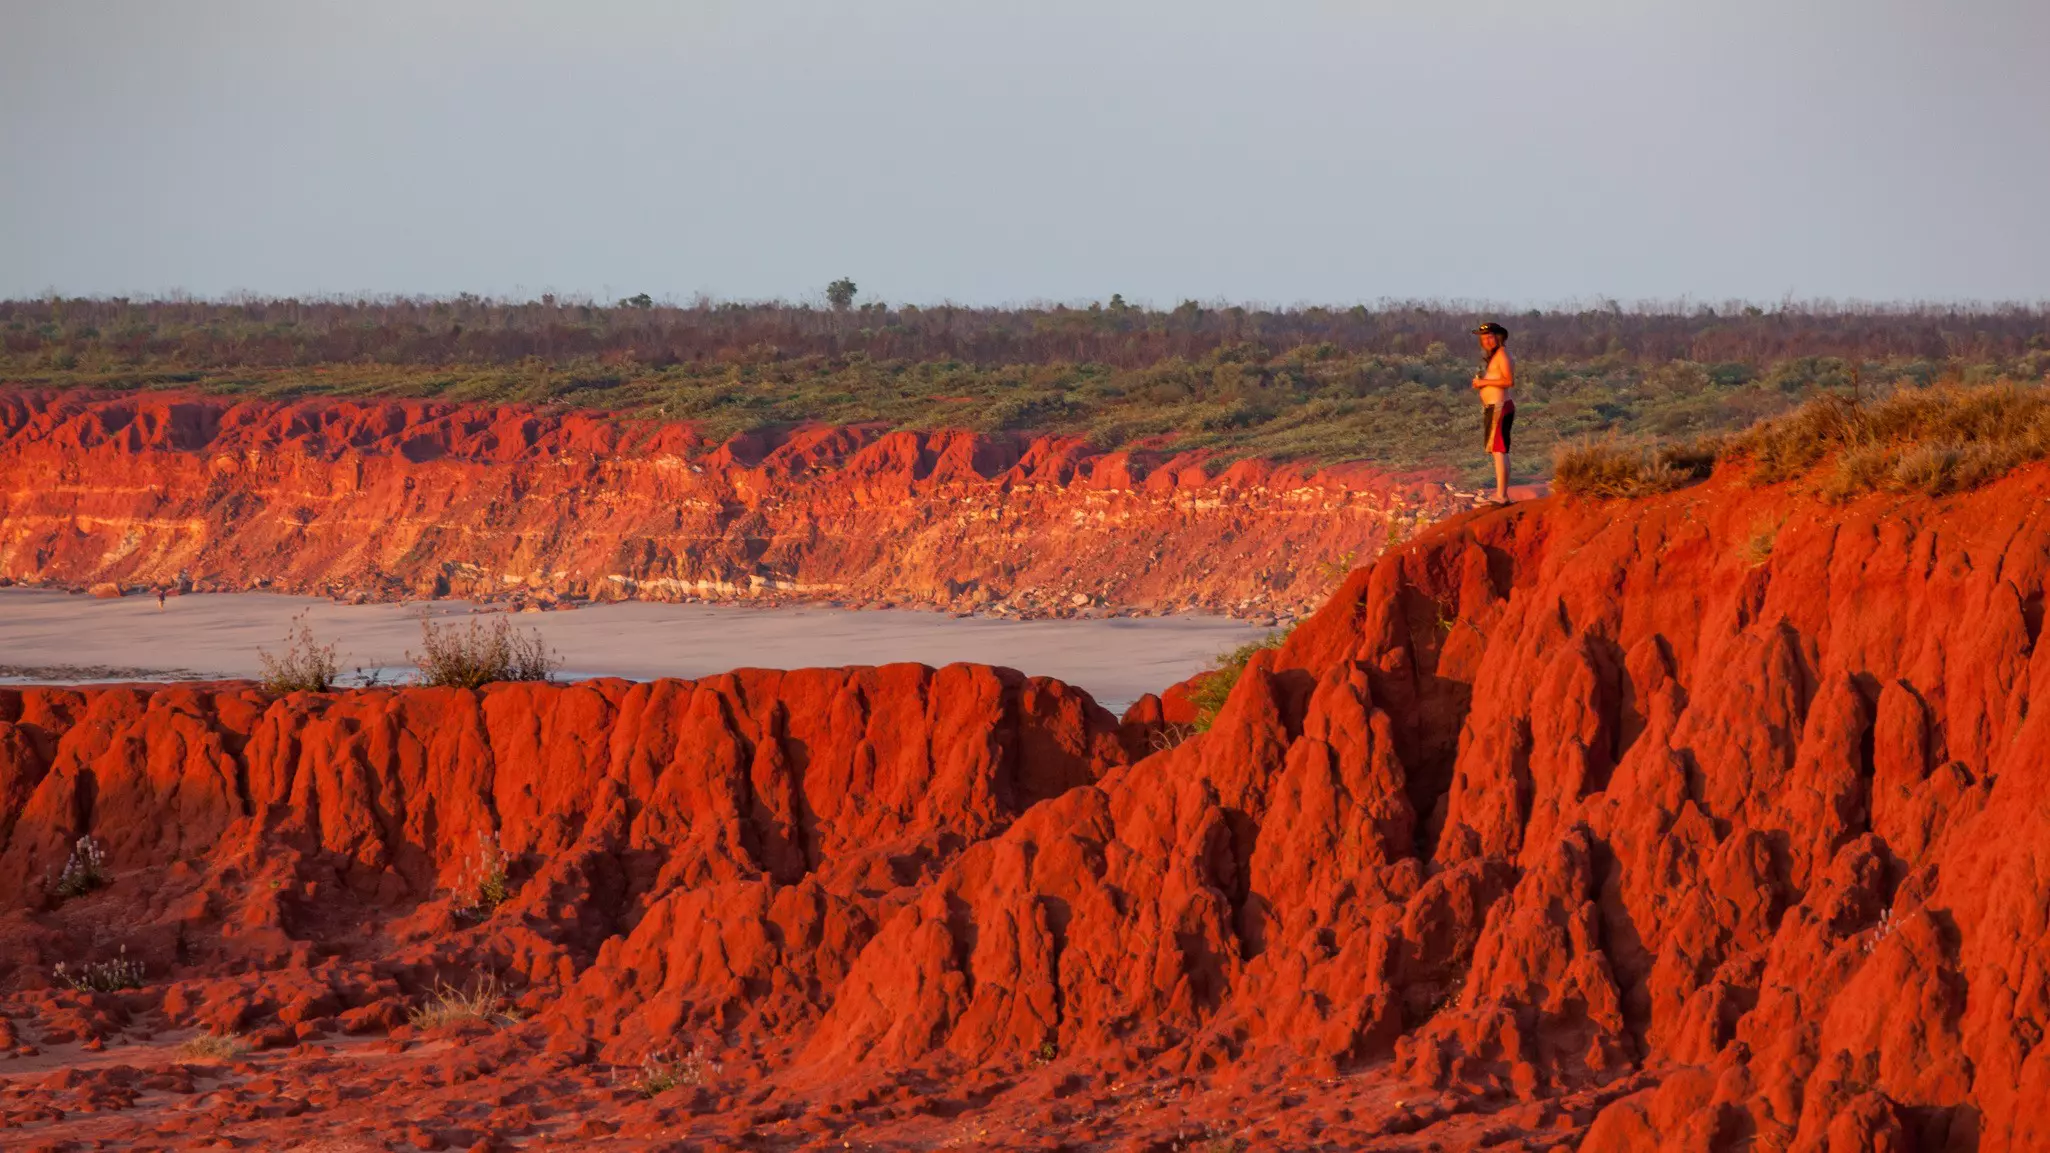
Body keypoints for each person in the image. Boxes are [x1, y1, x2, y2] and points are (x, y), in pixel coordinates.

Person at [1470, 321, 1515, 504]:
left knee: (1499, 451)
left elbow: (1508, 381)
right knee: (1499, 451)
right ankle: (1501, 493)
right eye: (1484, 338)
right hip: (1494, 407)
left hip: (1499, 406)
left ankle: (1501, 496)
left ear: (1499, 337)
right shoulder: (1495, 357)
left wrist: (1483, 384)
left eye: (1490, 337)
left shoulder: (1503, 355)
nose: (1487, 341)